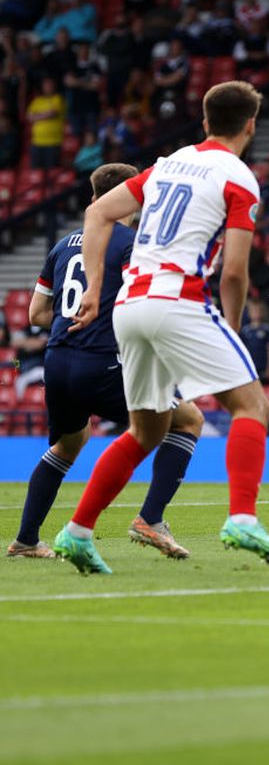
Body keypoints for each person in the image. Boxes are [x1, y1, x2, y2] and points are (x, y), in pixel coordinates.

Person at [54, 81, 269, 573]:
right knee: (253, 405)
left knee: (147, 429)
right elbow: (233, 270)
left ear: (205, 122)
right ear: (251, 125)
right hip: (178, 300)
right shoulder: (239, 178)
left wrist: (96, 287)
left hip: (129, 305)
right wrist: (230, 328)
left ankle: (76, 531)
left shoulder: (165, 164)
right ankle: (243, 518)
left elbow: (98, 211)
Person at [8, 164, 203, 561]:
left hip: (58, 361)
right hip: (103, 362)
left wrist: (75, 324)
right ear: (134, 196)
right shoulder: (133, 242)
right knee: (188, 420)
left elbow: (36, 314)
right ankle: (151, 518)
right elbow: (145, 304)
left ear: (94, 195)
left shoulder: (62, 245)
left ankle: (26, 539)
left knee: (69, 444)